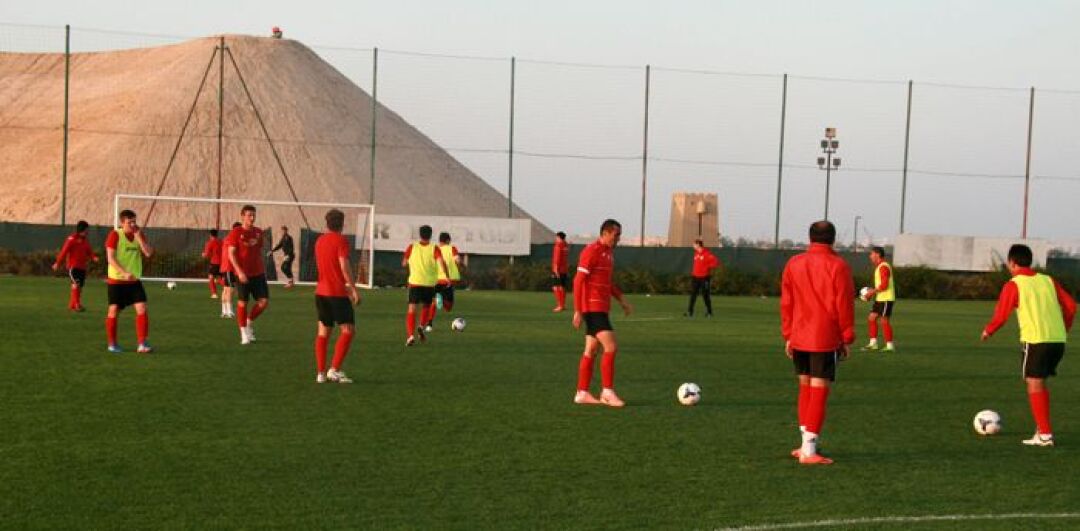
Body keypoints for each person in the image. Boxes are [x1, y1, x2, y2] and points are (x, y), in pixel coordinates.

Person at [981, 244, 1075, 447]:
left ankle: (1045, 435)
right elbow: (1070, 305)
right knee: (1038, 381)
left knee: (1034, 382)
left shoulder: (1014, 284)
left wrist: (988, 330)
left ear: (1012, 262)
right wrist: (1064, 328)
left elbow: (1001, 315)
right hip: (1058, 341)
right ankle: (1042, 431)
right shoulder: (1047, 280)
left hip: (1036, 341)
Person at [780, 220, 855, 465]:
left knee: (804, 388)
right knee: (819, 390)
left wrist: (788, 334)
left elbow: (787, 302)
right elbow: (844, 303)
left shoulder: (794, 263)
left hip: (799, 335)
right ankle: (809, 451)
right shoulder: (838, 265)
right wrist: (847, 336)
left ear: (810, 238)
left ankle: (804, 445)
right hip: (824, 336)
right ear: (833, 239)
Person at [572, 219, 633, 408]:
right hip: (592, 308)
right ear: (605, 233)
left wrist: (621, 300)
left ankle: (582, 393)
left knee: (591, 349)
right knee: (611, 347)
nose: (618, 239)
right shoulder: (591, 251)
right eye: (616, 235)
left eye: (619, 235)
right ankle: (607, 392)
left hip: (601, 308)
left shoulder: (608, 253)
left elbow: (607, 282)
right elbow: (578, 281)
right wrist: (577, 310)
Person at [313, 209, 361, 384]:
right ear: (342, 223)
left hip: (321, 292)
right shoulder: (341, 240)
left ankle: (320, 373)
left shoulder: (319, 241)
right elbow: (343, 266)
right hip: (337, 293)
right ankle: (334, 369)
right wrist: (353, 289)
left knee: (323, 332)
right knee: (348, 331)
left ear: (327, 223)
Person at [104, 210, 154, 353]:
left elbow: (148, 253)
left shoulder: (138, 234)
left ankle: (142, 344)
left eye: (134, 221)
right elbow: (110, 258)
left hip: (134, 281)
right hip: (116, 281)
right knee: (114, 311)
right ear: (122, 223)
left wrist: (140, 239)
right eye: (129, 222)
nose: (132, 225)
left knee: (142, 308)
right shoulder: (115, 235)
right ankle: (112, 344)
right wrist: (124, 273)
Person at [225, 205, 269, 345]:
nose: (252, 218)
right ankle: (243, 333)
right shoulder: (236, 232)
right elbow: (231, 253)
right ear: (242, 216)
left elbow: (258, 250)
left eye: (253, 215)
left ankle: (248, 322)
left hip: (258, 273)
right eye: (249, 215)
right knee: (242, 303)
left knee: (263, 302)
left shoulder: (258, 232)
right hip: (242, 274)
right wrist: (239, 271)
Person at [402, 225, 450, 346]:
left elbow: (404, 263)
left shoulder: (412, 247)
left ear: (420, 234)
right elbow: (442, 262)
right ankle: (421, 327)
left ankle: (410, 336)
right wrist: (447, 277)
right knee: (426, 306)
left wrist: (412, 264)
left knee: (412, 309)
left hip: (415, 282)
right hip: (429, 284)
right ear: (430, 235)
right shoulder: (434, 248)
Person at [52, 220, 99, 312]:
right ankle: (77, 305)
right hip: (73, 267)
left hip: (82, 267)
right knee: (76, 284)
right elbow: (64, 251)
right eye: (87, 230)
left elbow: (89, 251)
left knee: (79, 287)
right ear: (82, 230)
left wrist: (94, 257)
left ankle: (72, 305)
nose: (88, 232)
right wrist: (57, 263)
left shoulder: (85, 241)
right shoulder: (71, 239)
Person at [427, 232, 465, 332]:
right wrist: (462, 265)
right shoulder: (452, 248)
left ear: (440, 240)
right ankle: (440, 299)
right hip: (449, 280)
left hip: (436, 279)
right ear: (448, 240)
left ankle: (429, 325)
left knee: (433, 303)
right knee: (448, 308)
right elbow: (458, 260)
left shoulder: (434, 250)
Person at [862, 246, 896, 352]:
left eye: (871, 254)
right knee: (871, 318)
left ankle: (889, 346)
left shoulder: (883, 266)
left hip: (886, 298)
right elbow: (881, 285)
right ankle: (873, 344)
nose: (870, 256)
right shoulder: (879, 267)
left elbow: (884, 285)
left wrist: (871, 292)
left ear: (877, 254)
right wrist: (872, 293)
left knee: (884, 320)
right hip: (880, 298)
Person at [685, 239, 720, 318]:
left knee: (705, 295)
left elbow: (716, 262)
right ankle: (690, 312)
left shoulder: (707, 254)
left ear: (698, 244)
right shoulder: (696, 253)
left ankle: (709, 312)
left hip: (704, 278)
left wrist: (707, 267)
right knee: (693, 294)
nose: (693, 246)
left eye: (694, 244)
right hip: (695, 277)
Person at [218, 221, 241, 319]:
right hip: (229, 266)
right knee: (231, 289)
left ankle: (224, 311)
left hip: (225, 266)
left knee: (226, 289)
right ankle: (229, 311)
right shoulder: (233, 238)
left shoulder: (227, 238)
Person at [550, 231, 570, 312]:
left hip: (558, 269)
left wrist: (556, 269)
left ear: (558, 237)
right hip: (564, 269)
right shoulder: (566, 245)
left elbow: (557, 258)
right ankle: (562, 305)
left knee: (556, 287)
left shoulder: (558, 245)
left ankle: (560, 305)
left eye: (556, 237)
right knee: (562, 287)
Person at [202, 229, 222, 300]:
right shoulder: (221, 241)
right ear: (217, 235)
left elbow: (206, 254)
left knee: (211, 277)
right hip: (222, 263)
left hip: (214, 263)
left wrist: (203, 255)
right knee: (219, 278)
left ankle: (214, 294)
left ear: (210, 235)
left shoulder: (209, 243)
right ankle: (230, 286)